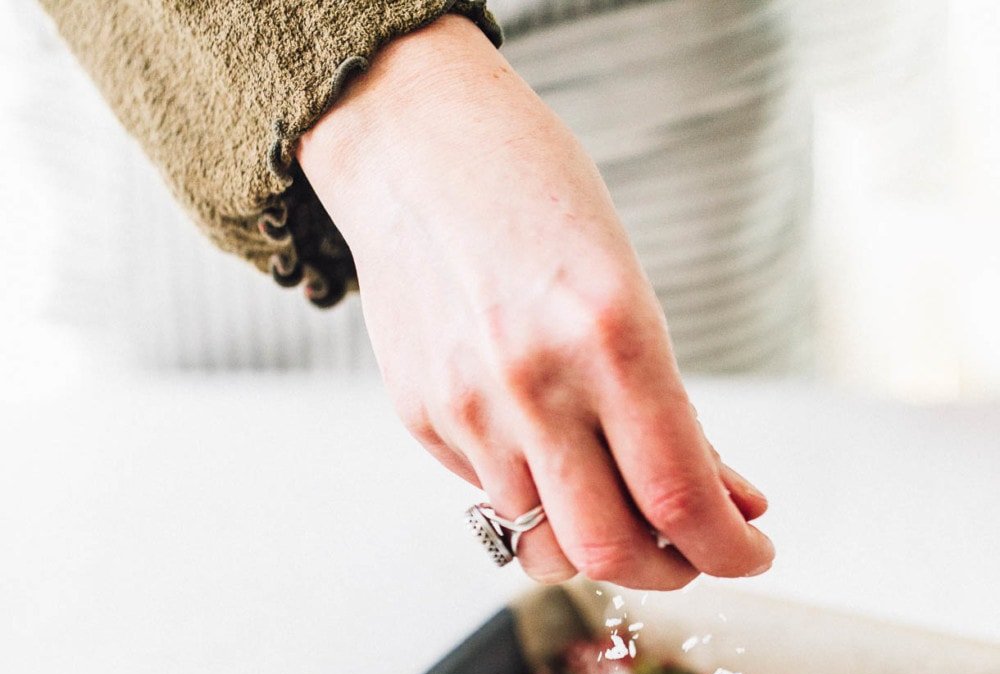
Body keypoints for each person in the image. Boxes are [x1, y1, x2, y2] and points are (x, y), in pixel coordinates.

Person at [38, 1, 775, 589]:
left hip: (622, 74)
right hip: (176, 82)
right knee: (215, 571)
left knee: (650, 512)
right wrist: (385, 109)